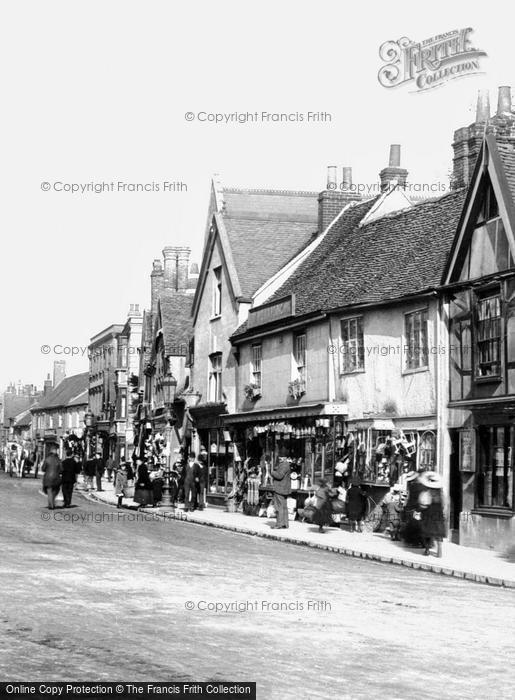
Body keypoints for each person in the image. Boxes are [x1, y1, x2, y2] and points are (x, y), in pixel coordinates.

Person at [417, 471, 446, 556]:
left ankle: (427, 549)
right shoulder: (441, 494)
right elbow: (445, 504)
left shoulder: (426, 493)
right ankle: (439, 551)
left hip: (428, 514)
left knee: (427, 532)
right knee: (439, 532)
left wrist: (420, 509)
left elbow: (423, 504)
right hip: (438, 514)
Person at [270, 454, 291, 529]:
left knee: (279, 507)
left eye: (281, 457)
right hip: (284, 488)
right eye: (280, 457)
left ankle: (279, 524)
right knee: (284, 506)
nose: (280, 458)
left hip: (280, 488)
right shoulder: (286, 465)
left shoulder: (284, 465)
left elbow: (279, 476)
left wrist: (272, 472)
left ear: (285, 458)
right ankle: (285, 524)